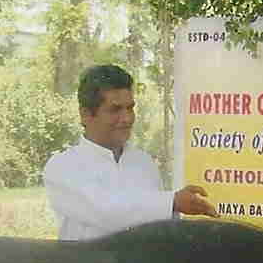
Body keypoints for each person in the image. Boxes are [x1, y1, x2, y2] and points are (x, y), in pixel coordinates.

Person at [44, 64, 216, 240]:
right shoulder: (63, 167)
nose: (127, 118)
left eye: (130, 108)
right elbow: (104, 212)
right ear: (86, 114)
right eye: (115, 109)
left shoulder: (143, 162)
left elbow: (158, 225)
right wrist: (171, 202)